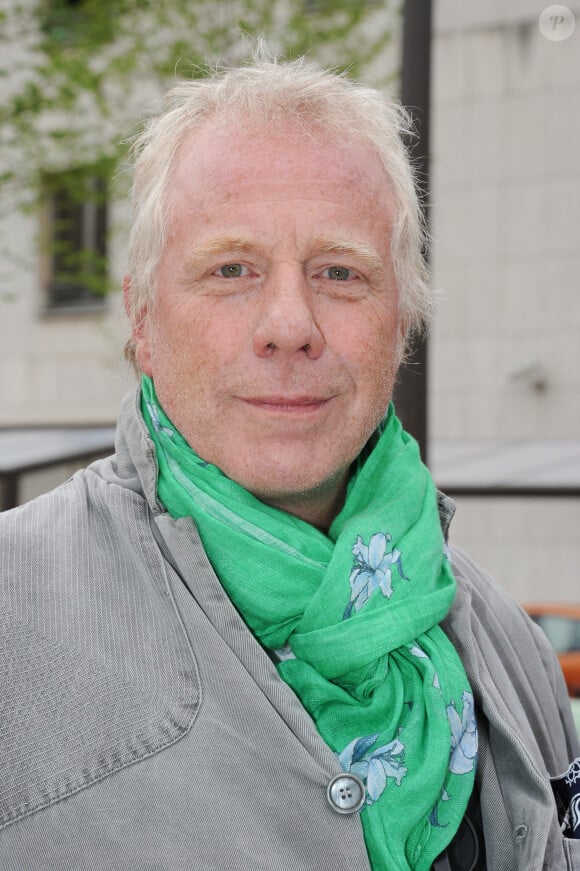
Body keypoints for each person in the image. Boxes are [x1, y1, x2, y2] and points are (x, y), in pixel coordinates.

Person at [1, 54, 578, 871]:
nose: (289, 324)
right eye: (231, 269)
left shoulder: (507, 644)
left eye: (340, 273)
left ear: (403, 320)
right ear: (141, 317)